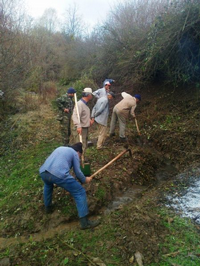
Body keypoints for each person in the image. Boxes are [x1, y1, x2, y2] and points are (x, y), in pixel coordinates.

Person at [39, 142, 100, 230]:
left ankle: (48, 208)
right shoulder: (74, 153)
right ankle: (84, 223)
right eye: (80, 155)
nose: (79, 157)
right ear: (79, 152)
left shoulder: (60, 148)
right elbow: (78, 172)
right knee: (80, 192)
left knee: (48, 186)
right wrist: (85, 179)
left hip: (44, 172)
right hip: (58, 174)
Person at [70, 88, 94, 155]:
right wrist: (78, 126)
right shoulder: (79, 104)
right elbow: (74, 116)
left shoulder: (85, 104)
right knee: (80, 146)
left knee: (84, 144)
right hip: (81, 129)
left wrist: (88, 120)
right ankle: (79, 162)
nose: (92, 96)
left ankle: (83, 159)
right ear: (88, 95)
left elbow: (83, 115)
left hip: (85, 128)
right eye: (91, 95)